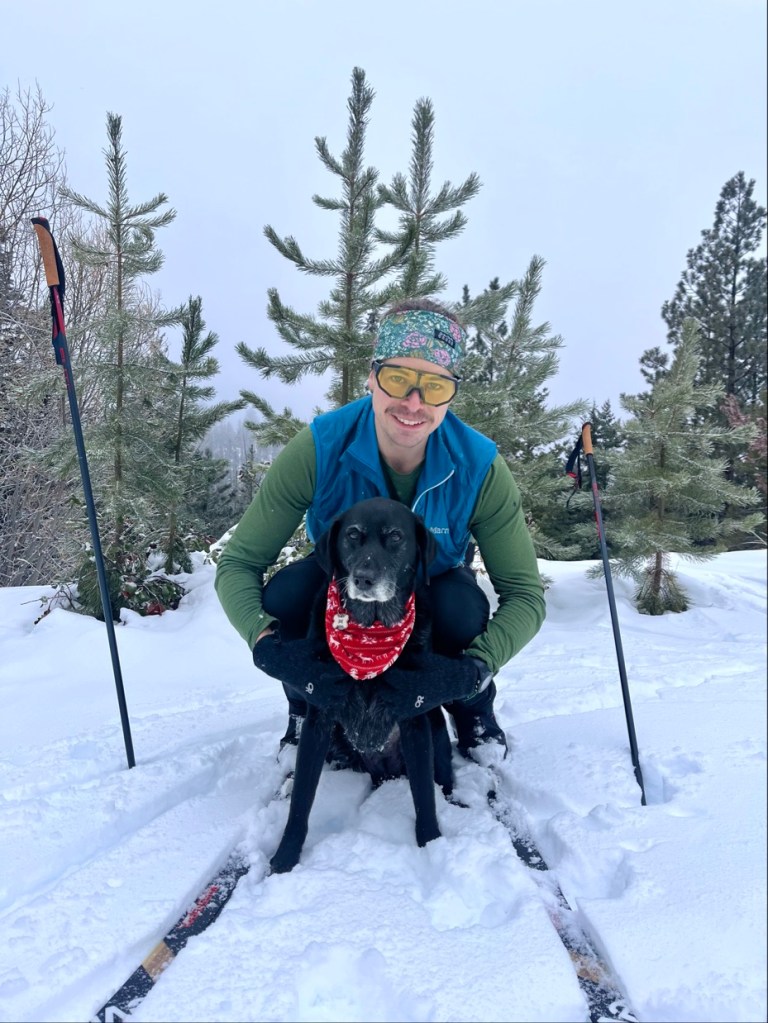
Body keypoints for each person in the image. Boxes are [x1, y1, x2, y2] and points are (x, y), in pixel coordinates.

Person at [215, 298, 546, 760]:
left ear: (451, 395)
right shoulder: (321, 448)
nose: (413, 403)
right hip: (343, 587)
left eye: (434, 386)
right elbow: (239, 563)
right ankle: (306, 706)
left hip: (434, 584)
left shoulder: (478, 466)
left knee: (460, 608)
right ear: (372, 376)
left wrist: (474, 668)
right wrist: (265, 642)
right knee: (289, 596)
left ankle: (472, 711)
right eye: (397, 379)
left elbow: (526, 595)